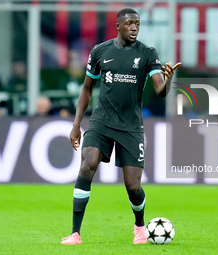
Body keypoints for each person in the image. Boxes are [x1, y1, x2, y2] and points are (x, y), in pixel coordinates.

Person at [61, 8, 181, 245]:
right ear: (118, 26)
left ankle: (139, 226)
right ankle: (75, 233)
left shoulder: (148, 53)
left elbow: (160, 90)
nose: (135, 27)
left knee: (133, 185)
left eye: (137, 23)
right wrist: (76, 125)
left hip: (130, 126)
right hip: (101, 121)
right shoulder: (100, 51)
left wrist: (168, 80)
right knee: (87, 167)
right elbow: (86, 89)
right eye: (129, 24)